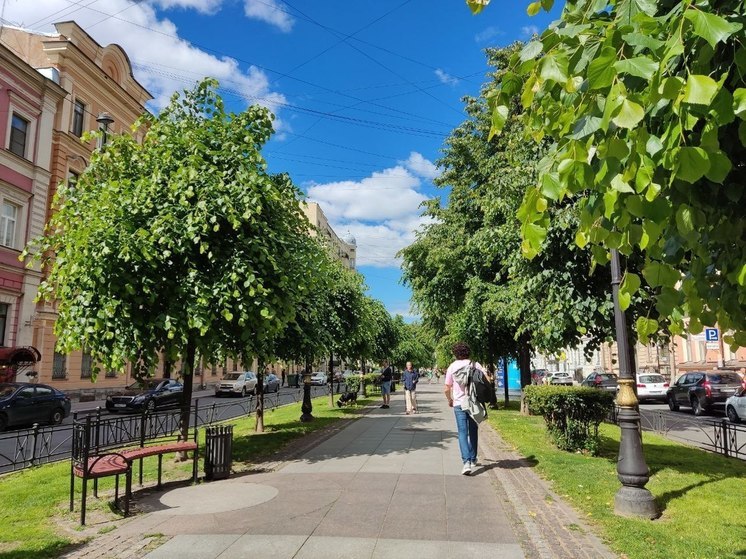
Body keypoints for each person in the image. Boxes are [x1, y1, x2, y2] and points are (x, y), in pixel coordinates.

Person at [444, 342, 491, 476]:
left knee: (462, 432)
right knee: (473, 430)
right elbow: (486, 380)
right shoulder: (475, 365)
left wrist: (450, 400)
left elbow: (447, 387)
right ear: (468, 352)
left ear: (455, 353)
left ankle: (466, 463)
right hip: (473, 403)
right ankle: (473, 458)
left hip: (459, 403)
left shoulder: (452, 367)